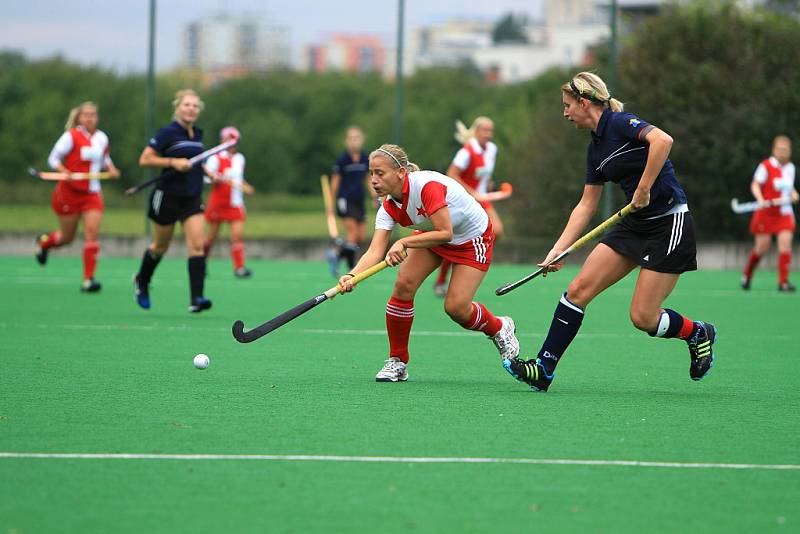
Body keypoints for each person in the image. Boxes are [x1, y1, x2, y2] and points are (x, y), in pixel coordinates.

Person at [504, 72, 716, 392]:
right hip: (634, 225)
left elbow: (663, 140)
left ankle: (696, 332)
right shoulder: (595, 149)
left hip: (668, 223)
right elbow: (587, 205)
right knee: (577, 291)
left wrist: (644, 187)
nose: (565, 113)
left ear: (584, 102)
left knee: (643, 318)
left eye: (567, 105)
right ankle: (544, 368)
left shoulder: (620, 122)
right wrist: (559, 249)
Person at [338, 144, 519, 382]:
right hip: (433, 235)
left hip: (471, 238)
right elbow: (375, 250)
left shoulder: (427, 187)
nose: (373, 179)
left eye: (380, 173)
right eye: (371, 173)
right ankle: (398, 361)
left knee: (456, 309)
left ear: (401, 172)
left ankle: (499, 327)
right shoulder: (389, 205)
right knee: (403, 284)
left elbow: (446, 232)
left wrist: (403, 243)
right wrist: (353, 276)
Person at [133, 89, 212, 313]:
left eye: (195, 106)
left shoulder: (197, 134)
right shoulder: (167, 132)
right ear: (177, 108)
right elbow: (145, 159)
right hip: (167, 197)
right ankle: (142, 281)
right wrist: (173, 162)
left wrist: (207, 171)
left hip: (192, 196)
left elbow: (193, 160)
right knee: (160, 246)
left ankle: (197, 298)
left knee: (197, 246)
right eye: (187, 105)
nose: (191, 109)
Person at [35, 101, 121, 292]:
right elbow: (53, 159)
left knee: (92, 233)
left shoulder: (102, 138)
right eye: (86, 114)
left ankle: (88, 280)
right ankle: (45, 243)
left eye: (93, 114)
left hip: (92, 194)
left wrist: (112, 169)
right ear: (79, 118)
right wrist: (63, 170)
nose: (90, 118)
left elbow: (105, 159)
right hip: (69, 193)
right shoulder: (70, 136)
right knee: (67, 238)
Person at [433, 116, 504, 297]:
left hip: (482, 199)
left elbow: (483, 174)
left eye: (491, 130)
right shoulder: (466, 151)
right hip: (465, 200)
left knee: (498, 230)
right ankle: (442, 279)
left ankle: (465, 263)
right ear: (476, 131)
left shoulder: (492, 149)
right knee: (456, 239)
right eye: (485, 130)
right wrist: (473, 191)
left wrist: (487, 185)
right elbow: (451, 175)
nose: (488, 134)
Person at [741, 135, 798, 292]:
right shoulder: (765, 166)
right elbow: (755, 185)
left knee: (785, 244)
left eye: (785, 150)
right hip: (765, 213)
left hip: (784, 213)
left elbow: (789, 188)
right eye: (780, 149)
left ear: (789, 152)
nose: (782, 152)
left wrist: (794, 194)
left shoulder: (790, 168)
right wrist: (760, 199)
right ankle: (747, 275)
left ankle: (783, 282)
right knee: (762, 248)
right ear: (774, 150)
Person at [203, 126, 255, 278]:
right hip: (218, 203)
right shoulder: (215, 158)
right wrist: (216, 179)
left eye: (233, 141)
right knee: (211, 237)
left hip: (235, 203)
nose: (230, 143)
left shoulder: (240, 159)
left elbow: (238, 179)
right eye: (227, 140)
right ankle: (201, 264)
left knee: (237, 236)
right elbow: (208, 179)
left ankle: (239, 268)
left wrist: (246, 186)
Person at [327, 126, 376, 276]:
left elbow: (369, 179)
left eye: (357, 138)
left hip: (359, 200)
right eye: (351, 138)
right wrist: (330, 203)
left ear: (362, 140)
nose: (354, 141)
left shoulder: (364, 158)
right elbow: (335, 182)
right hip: (345, 199)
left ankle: (335, 255)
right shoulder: (343, 160)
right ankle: (350, 268)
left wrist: (375, 197)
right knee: (352, 233)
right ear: (347, 141)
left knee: (360, 237)